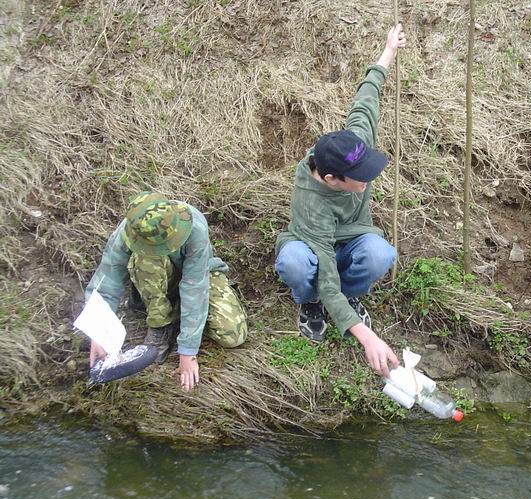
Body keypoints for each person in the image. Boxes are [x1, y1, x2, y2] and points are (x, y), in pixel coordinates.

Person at [274, 24, 406, 377]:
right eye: (360, 178)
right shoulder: (311, 202)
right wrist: (367, 338)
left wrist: (389, 50)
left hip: (351, 237)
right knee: (295, 264)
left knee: (381, 254)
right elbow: (326, 272)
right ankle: (309, 303)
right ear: (330, 179)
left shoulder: (353, 145)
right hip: (313, 246)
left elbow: (366, 100)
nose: (368, 179)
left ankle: (350, 297)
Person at [84, 191, 247, 390]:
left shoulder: (194, 226)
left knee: (233, 335)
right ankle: (160, 324)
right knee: (146, 258)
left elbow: (194, 286)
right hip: (154, 277)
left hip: (201, 275)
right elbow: (106, 281)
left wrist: (188, 351)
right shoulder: (130, 231)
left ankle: (179, 312)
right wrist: (98, 333)